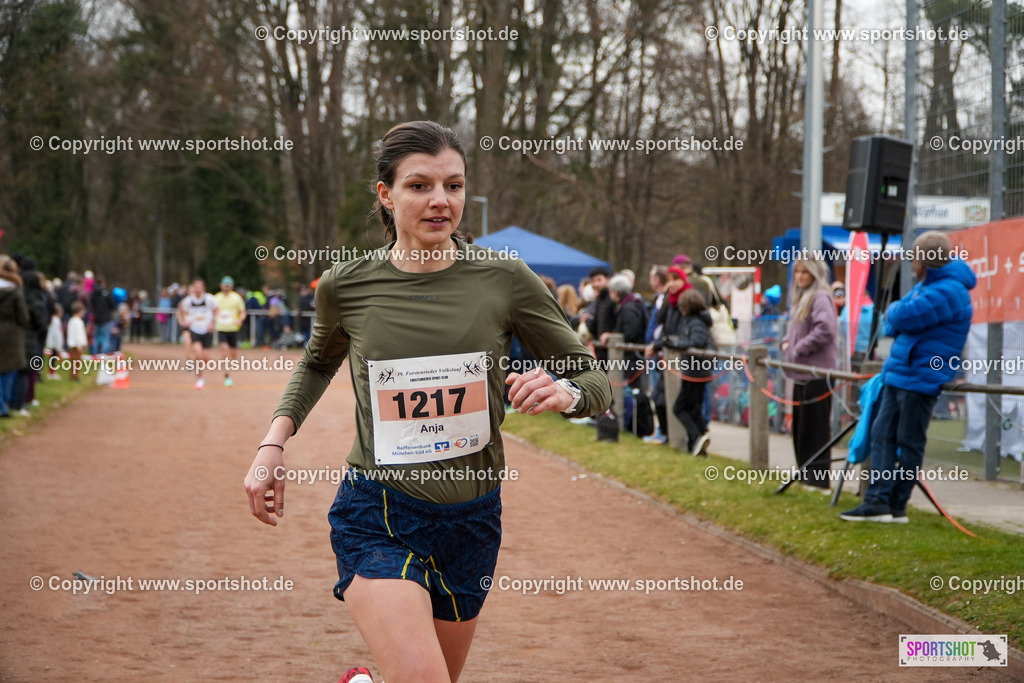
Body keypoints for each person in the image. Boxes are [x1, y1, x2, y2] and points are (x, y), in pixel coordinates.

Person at [243, 121, 611, 683]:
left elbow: (593, 376)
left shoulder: (504, 278)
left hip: (474, 519)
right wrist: (273, 443)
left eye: (455, 185)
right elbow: (318, 363)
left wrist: (567, 391)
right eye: (420, 186)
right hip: (380, 511)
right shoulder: (346, 285)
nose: (441, 200)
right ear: (386, 195)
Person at [841, 232, 975, 522]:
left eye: (914, 257)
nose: (911, 262)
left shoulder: (949, 290)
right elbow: (896, 324)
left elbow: (902, 317)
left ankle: (896, 505)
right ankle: (878, 501)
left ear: (924, 261)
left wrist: (893, 310)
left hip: (922, 376)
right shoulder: (929, 286)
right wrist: (897, 314)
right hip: (900, 373)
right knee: (881, 435)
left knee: (909, 442)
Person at [780, 258, 838, 490]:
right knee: (801, 428)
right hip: (801, 373)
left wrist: (798, 348)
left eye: (806, 272)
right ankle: (805, 476)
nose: (801, 276)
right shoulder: (800, 299)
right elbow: (792, 330)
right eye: (798, 271)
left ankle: (818, 480)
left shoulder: (821, 297)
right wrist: (787, 343)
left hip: (817, 374)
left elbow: (825, 329)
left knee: (816, 430)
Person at [661, 289, 714, 455]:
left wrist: (675, 345)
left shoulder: (696, 322)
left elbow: (697, 342)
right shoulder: (692, 321)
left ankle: (699, 436)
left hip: (696, 372)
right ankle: (699, 445)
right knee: (693, 409)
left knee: (680, 408)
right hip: (695, 370)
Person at [601, 274, 651, 436]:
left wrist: (612, 335)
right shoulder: (629, 304)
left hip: (632, 359)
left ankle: (633, 427)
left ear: (616, 291)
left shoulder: (630, 307)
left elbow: (631, 332)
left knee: (633, 392)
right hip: (630, 358)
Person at [0, 256, 28, 417]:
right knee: (10, 370)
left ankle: (0, 403)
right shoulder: (16, 290)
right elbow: (23, 316)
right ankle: (5, 403)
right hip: (12, 334)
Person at [178, 278, 218, 389]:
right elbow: (181, 310)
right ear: (193, 288)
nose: (198, 289)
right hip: (194, 330)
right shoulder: (188, 301)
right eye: (196, 287)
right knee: (198, 354)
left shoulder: (209, 299)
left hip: (207, 330)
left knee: (206, 357)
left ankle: (199, 370)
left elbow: (217, 310)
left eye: (200, 287)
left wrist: (213, 322)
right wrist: (185, 319)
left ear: (203, 288)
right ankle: (200, 377)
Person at [214, 276, 247, 386]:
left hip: (233, 329)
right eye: (224, 285)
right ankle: (226, 375)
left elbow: (243, 311)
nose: (226, 287)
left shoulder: (236, 298)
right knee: (224, 350)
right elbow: (212, 311)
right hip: (221, 328)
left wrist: (240, 319)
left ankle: (228, 365)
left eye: (228, 285)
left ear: (231, 286)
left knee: (233, 354)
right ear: (221, 285)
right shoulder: (216, 298)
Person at [89, 276, 116, 355]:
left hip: (97, 318)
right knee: (105, 338)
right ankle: (104, 356)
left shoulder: (93, 293)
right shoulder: (107, 293)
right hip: (106, 318)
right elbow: (112, 305)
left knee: (96, 337)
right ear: (103, 283)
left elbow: (92, 304)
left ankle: (94, 355)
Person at [66, 302, 88, 382]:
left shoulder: (75, 321)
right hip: (76, 345)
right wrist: (79, 345)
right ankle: (74, 376)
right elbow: (77, 335)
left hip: (77, 345)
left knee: (77, 361)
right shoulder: (76, 321)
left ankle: (75, 375)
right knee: (75, 362)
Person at [45, 303, 65, 380]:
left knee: (53, 358)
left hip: (52, 342)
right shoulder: (56, 321)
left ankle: (52, 372)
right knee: (53, 358)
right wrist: (58, 345)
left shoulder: (52, 320)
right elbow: (57, 334)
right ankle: (51, 373)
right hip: (55, 343)